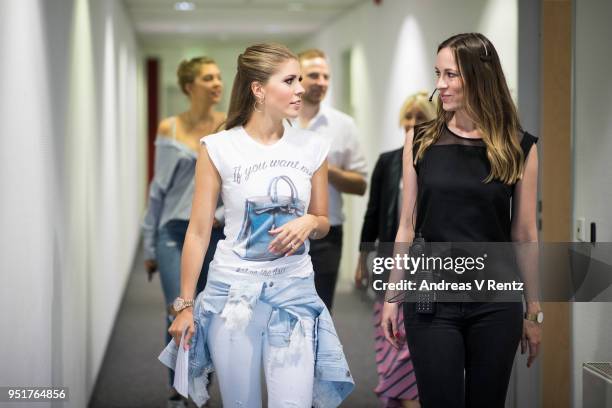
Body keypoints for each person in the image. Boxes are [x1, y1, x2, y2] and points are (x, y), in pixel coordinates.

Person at [159, 43, 354, 408]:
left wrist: (310, 221)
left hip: (294, 293)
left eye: (300, 80)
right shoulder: (218, 147)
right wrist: (184, 304)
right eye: (290, 80)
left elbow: (324, 221)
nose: (301, 89)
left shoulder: (314, 146)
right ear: (258, 89)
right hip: (233, 296)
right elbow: (199, 230)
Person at [381, 33, 542, 407]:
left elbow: (524, 234)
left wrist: (535, 311)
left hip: (495, 301)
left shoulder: (520, 146)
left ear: (479, 76)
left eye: (451, 75)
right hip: (430, 298)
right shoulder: (419, 139)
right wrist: (392, 294)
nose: (440, 85)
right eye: (438, 73)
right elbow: (407, 224)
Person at [141, 56, 226, 407]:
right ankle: (177, 390)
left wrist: (220, 214)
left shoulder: (228, 127)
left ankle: (201, 387)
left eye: (220, 77)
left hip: (214, 232)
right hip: (173, 233)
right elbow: (158, 189)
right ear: (190, 87)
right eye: (209, 78)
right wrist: (149, 246)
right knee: (180, 309)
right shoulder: (169, 129)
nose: (218, 83)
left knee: (209, 314)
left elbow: (235, 184)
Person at [355, 91, 435, 408]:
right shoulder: (388, 161)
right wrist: (362, 258)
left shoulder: (439, 162)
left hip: (427, 269)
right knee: (389, 340)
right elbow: (373, 212)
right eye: (409, 116)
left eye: (421, 117)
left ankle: (408, 397)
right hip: (389, 264)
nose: (414, 123)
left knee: (411, 350)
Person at [295, 48, 368, 311]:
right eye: (313, 75)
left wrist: (325, 168)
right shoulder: (278, 120)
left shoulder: (343, 125)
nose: (321, 82)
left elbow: (360, 184)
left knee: (320, 311)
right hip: (280, 231)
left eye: (326, 76)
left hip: (326, 234)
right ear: (296, 77)